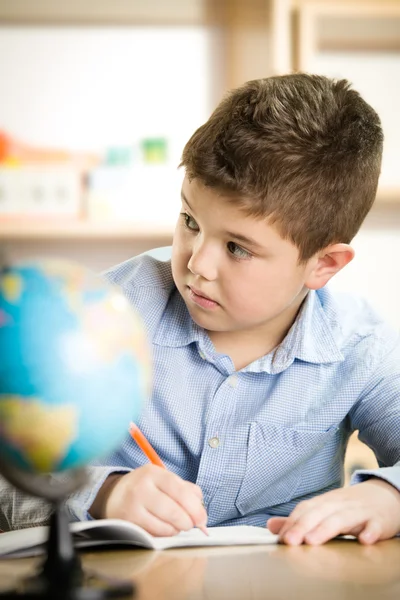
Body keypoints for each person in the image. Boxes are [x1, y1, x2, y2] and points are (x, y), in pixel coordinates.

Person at [1, 73, 400, 545]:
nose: (197, 262)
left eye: (237, 248)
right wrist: (103, 492)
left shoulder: (359, 347)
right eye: (190, 221)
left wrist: (388, 496)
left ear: (323, 264)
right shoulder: (95, 317)